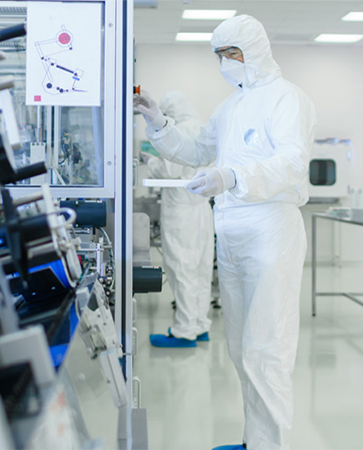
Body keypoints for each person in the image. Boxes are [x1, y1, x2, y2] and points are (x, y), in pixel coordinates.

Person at [133, 14, 316, 450]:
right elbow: (198, 149)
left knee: (266, 348)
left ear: (254, 51)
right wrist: (158, 123)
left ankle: (269, 446)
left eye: (230, 53)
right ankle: (255, 440)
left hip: (270, 230)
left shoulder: (287, 98)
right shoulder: (231, 106)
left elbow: (292, 162)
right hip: (232, 231)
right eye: (218, 55)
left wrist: (232, 176)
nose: (224, 63)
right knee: (240, 347)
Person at [143, 91, 214, 348]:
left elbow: (170, 170)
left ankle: (184, 331)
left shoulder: (179, 130)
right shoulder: (202, 128)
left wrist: (152, 162)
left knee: (181, 268)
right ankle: (199, 325)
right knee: (200, 269)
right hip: (202, 209)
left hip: (181, 210)